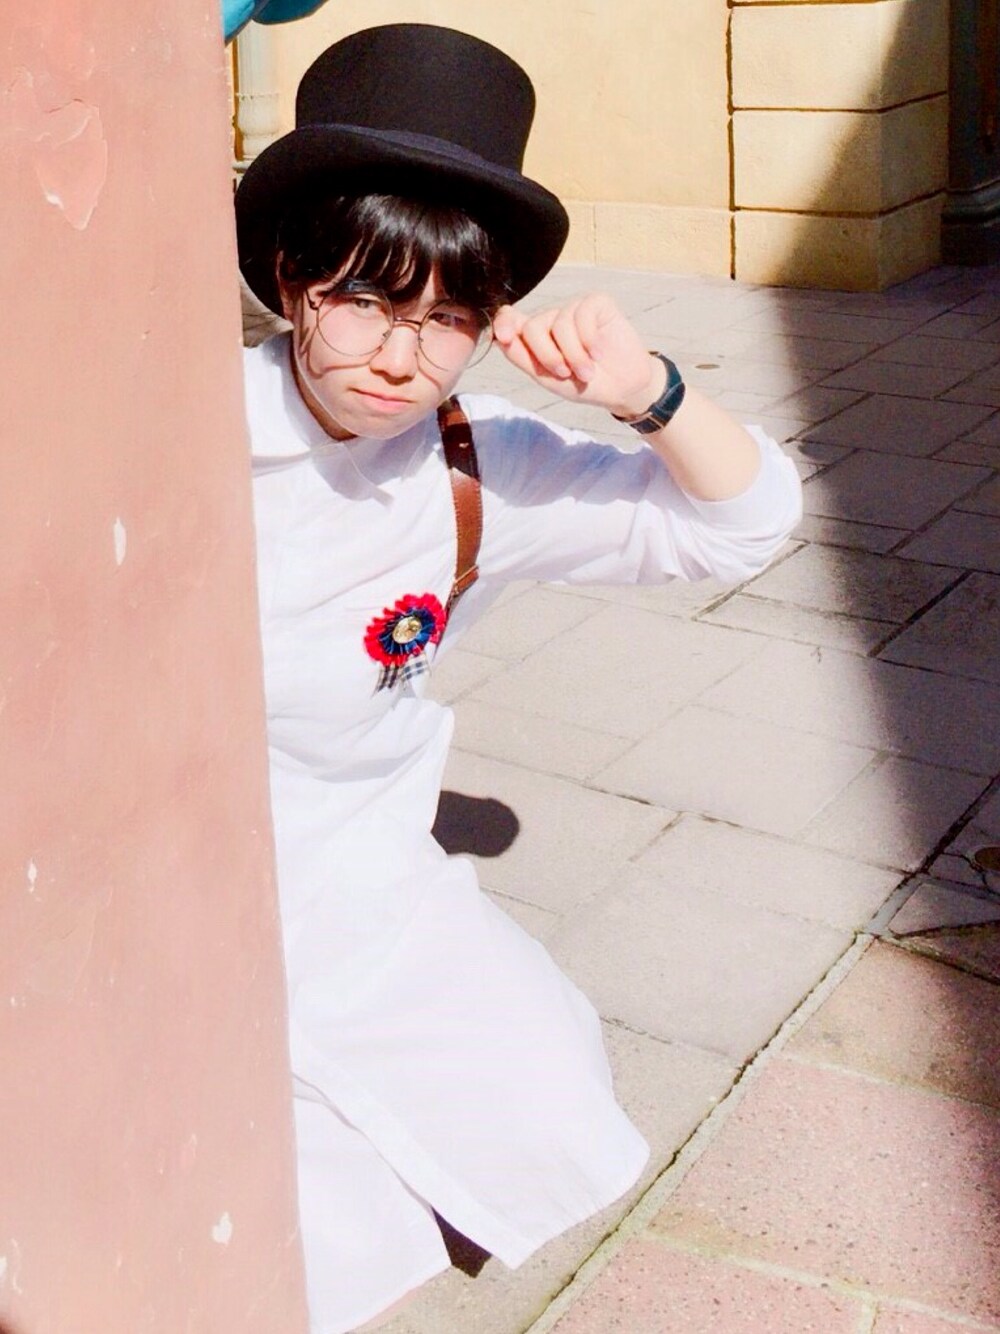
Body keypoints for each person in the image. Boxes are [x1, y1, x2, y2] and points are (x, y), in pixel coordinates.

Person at [235, 22, 802, 1333]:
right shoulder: (173, 432)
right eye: (365, 300)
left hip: (354, 881)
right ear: (292, 276)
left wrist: (650, 392)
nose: (399, 357)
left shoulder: (473, 462)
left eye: (447, 319)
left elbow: (744, 524)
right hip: (157, 893)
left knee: (546, 1099)